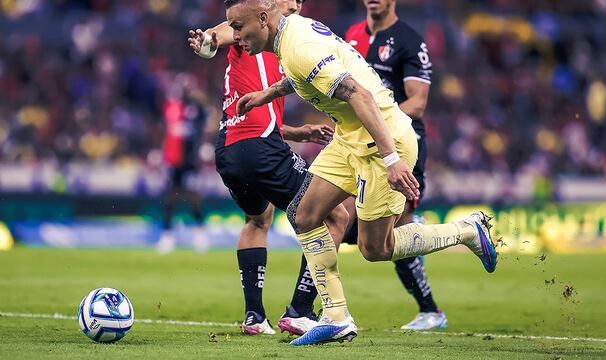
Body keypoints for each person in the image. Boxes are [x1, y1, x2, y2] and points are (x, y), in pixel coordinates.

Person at [227, 0, 498, 346]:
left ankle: (467, 230)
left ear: (263, 19)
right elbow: (303, 77)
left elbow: (361, 96)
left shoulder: (299, 47)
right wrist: (267, 94)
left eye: (238, 27)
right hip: (350, 138)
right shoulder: (290, 36)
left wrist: (392, 160)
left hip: (382, 141)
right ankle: (336, 317)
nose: (235, 37)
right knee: (304, 214)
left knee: (376, 248)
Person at [187, 0, 349, 337]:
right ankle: (301, 311)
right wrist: (207, 43)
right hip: (258, 147)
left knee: (258, 219)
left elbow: (257, 113)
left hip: (231, 149)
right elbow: (222, 32)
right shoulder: (253, 30)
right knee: (336, 217)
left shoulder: (287, 46)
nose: (292, 6)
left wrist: (296, 131)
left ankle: (254, 317)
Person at [342, 0, 446, 331]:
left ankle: (430, 309)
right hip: (359, 144)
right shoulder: (352, 35)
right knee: (336, 218)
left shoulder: (409, 41)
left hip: (402, 147)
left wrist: (381, 124)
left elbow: (418, 102)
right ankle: (314, 310)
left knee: (393, 231)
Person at [157, 74, 208, 255]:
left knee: (193, 196)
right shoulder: (172, 107)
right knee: (171, 196)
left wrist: (202, 152)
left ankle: (199, 231)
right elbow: (165, 131)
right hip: (174, 159)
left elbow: (203, 131)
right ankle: (167, 233)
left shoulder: (198, 108)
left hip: (191, 160)